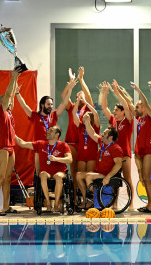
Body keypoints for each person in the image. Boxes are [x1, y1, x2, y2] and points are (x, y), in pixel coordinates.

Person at [15, 126, 72, 212]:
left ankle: (56, 205)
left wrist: (56, 159)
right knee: (42, 174)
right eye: (48, 130)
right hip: (47, 172)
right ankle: (48, 204)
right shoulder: (40, 144)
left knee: (58, 176)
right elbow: (22, 143)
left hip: (59, 172)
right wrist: (12, 132)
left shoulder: (63, 145)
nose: (48, 132)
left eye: (51, 131)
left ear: (57, 135)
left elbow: (69, 159)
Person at [61, 67, 94, 205]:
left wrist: (81, 79)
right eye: (77, 96)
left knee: (83, 174)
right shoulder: (72, 108)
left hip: (83, 144)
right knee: (74, 173)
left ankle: (87, 199)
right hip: (72, 143)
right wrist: (70, 82)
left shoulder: (88, 109)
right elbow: (64, 96)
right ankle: (74, 200)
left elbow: (89, 95)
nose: (79, 97)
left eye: (81, 96)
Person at [76, 115, 123, 209]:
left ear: (110, 137)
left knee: (89, 176)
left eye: (104, 134)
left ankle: (94, 198)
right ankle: (88, 199)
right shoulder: (102, 144)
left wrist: (108, 176)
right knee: (78, 175)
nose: (102, 134)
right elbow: (92, 133)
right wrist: (87, 121)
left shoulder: (116, 148)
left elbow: (119, 164)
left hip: (108, 175)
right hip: (98, 173)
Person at [0, 67, 22, 216]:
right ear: (3, 103)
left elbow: (12, 97)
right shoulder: (1, 112)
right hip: (2, 148)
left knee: (8, 178)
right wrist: (13, 77)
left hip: (11, 147)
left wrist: (16, 80)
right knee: (1, 177)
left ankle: (5, 206)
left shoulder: (9, 112)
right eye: (8, 101)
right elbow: (9, 95)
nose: (10, 102)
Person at [15, 71, 77, 141]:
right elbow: (24, 106)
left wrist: (70, 88)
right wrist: (17, 93)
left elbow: (64, 103)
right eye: (48, 104)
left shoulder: (54, 115)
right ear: (42, 105)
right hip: (40, 148)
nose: (50, 106)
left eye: (51, 104)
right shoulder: (35, 116)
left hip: (53, 147)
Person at [101, 80, 134, 209]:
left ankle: (130, 204)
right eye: (113, 110)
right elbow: (104, 107)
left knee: (127, 178)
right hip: (114, 155)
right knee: (115, 180)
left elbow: (126, 106)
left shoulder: (128, 121)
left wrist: (117, 93)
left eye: (116, 110)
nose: (113, 111)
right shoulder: (112, 120)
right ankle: (114, 203)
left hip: (125, 154)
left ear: (122, 112)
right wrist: (105, 93)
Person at [131, 82, 151, 213]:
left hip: (149, 151)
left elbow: (146, 103)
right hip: (140, 151)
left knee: (147, 178)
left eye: (137, 107)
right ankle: (149, 203)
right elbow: (128, 106)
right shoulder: (140, 119)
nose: (135, 109)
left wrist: (139, 90)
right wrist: (118, 92)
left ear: (143, 107)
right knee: (143, 178)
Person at [73, 92, 100, 173]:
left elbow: (95, 113)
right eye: (84, 117)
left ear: (91, 119)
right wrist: (78, 101)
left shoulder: (95, 127)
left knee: (89, 176)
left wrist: (85, 101)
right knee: (80, 176)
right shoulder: (81, 126)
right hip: (81, 154)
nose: (85, 118)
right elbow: (74, 113)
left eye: (87, 117)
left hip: (92, 155)